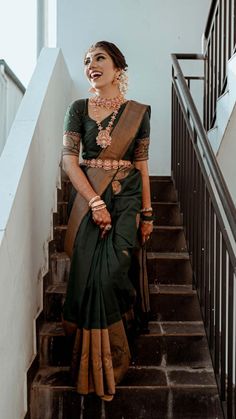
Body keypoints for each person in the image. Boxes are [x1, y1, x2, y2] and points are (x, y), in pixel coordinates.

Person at [61, 41, 153, 403]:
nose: (91, 65)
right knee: (87, 277)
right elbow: (70, 160)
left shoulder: (138, 112)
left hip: (127, 198)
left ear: (118, 68)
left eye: (99, 58)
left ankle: (114, 355)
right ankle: (91, 367)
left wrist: (147, 212)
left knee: (113, 272)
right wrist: (95, 200)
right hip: (87, 201)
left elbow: (142, 165)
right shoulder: (78, 109)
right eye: (87, 60)